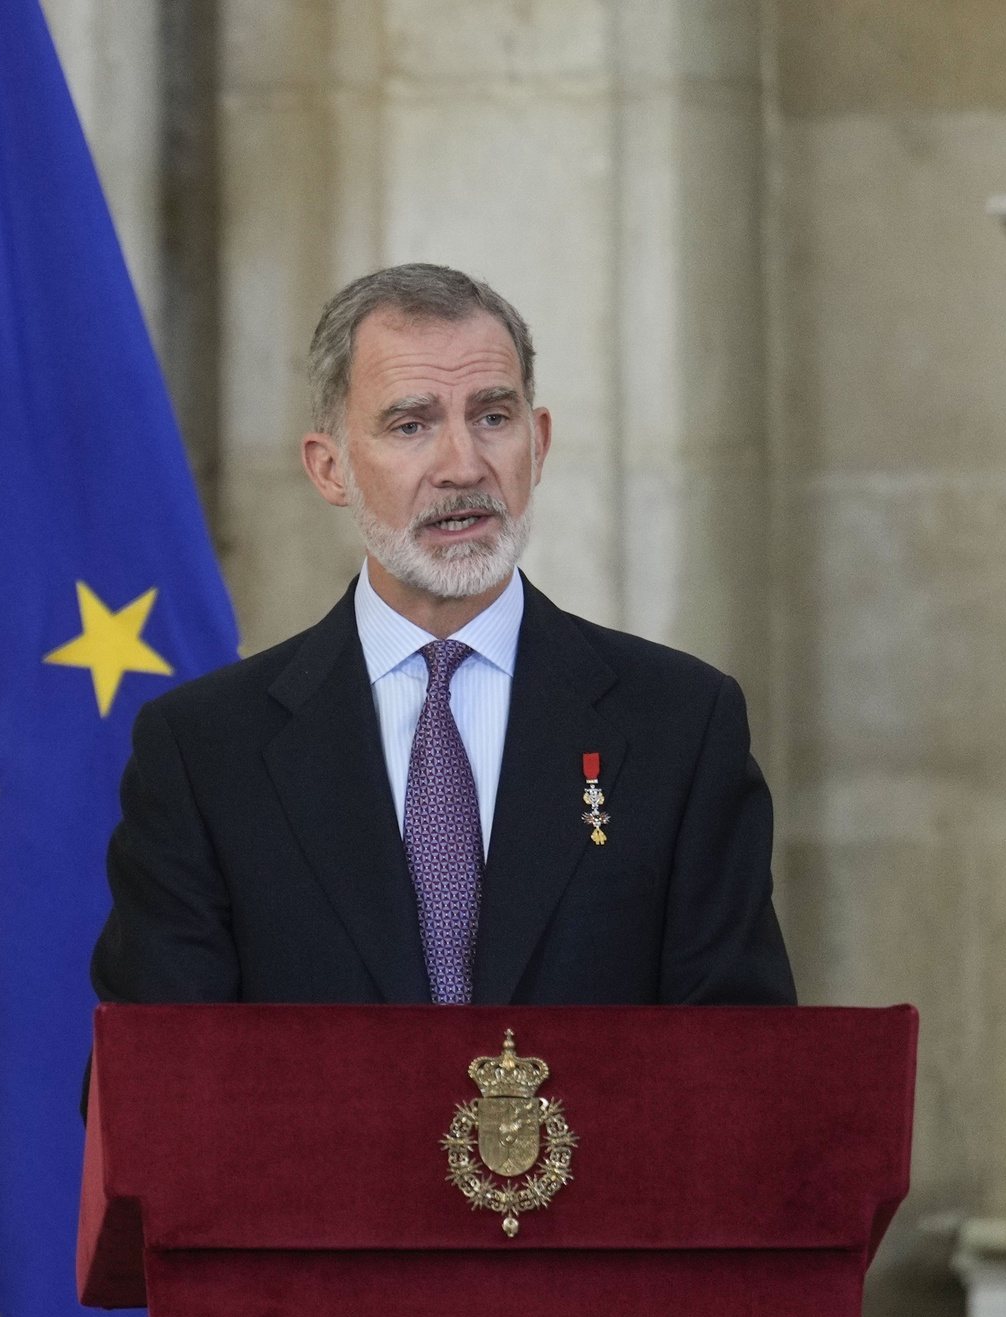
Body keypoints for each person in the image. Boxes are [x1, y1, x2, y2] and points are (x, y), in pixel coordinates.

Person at [90, 263, 793, 1007]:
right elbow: (153, 1092)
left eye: (493, 416)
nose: (463, 466)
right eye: (411, 424)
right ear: (330, 469)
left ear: (540, 442)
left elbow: (741, 1072)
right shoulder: (205, 751)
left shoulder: (680, 724)